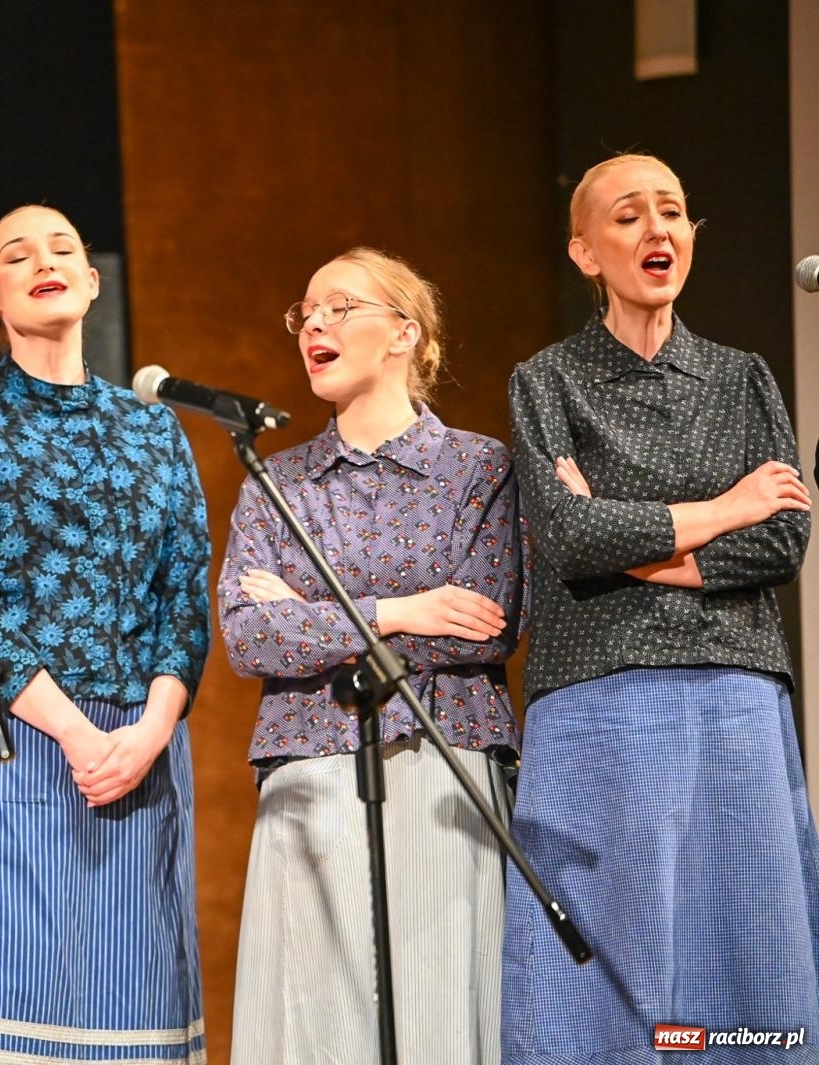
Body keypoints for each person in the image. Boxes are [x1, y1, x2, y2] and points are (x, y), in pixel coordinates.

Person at [504, 152, 818, 1063]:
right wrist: (725, 508)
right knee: (609, 945)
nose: (659, 231)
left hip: (736, 687)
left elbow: (782, 543)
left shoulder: (744, 376)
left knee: (745, 933)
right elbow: (566, 537)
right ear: (585, 253)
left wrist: (626, 539)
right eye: (631, 216)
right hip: (599, 691)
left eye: (673, 212)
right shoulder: (548, 380)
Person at [0, 204, 209, 1062]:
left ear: (93, 280)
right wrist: (80, 734)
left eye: (63, 246)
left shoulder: (154, 424)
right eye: (16, 252)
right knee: (16, 1009)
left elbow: (183, 599)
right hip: (11, 743)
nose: (45, 259)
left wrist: (147, 732)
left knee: (137, 1013)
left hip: (142, 757)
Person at [218, 247, 526, 1064]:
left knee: (438, 1014)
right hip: (310, 773)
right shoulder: (277, 480)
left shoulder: (479, 466)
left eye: (340, 306)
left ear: (403, 334)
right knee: (318, 1021)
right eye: (305, 313)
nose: (314, 323)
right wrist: (402, 609)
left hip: (444, 767)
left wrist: (314, 616)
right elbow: (250, 636)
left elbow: (486, 623)